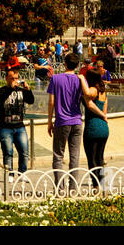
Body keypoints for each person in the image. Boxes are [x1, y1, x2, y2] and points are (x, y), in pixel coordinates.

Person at [47, 52, 95, 190]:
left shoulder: (55, 79)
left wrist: (50, 121)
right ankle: (73, 188)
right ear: (77, 65)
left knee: (58, 155)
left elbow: (51, 102)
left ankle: (60, 188)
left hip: (61, 121)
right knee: (74, 156)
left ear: (64, 64)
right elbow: (87, 99)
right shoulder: (80, 79)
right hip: (77, 121)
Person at [0, 64, 34, 173]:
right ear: (6, 78)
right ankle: (10, 174)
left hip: (19, 127)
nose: (14, 80)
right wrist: (10, 88)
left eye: (16, 78)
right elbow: (1, 98)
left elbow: (31, 100)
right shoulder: (1, 91)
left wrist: (28, 89)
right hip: (5, 127)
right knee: (8, 153)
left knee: (24, 152)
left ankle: (22, 173)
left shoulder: (21, 91)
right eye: (12, 78)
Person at [82, 70, 109, 189]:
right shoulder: (104, 92)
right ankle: (104, 184)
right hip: (104, 127)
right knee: (100, 157)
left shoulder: (93, 90)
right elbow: (104, 111)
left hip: (93, 127)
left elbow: (88, 95)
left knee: (92, 158)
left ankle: (96, 185)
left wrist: (81, 79)